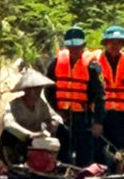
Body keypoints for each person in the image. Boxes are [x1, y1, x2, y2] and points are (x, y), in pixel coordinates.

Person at [45, 26, 105, 167]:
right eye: (71, 47)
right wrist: (55, 110)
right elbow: (48, 89)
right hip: (62, 116)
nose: (74, 51)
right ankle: (61, 178)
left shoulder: (93, 66)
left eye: (77, 47)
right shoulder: (56, 62)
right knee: (62, 152)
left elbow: (100, 95)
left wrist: (98, 122)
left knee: (84, 153)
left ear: (83, 46)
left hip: (83, 117)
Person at [0, 68, 65, 172]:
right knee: (7, 135)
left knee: (63, 131)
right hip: (16, 145)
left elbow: (55, 117)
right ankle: (13, 166)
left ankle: (58, 166)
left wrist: (54, 122)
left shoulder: (41, 104)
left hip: (34, 146)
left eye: (39, 88)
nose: (38, 92)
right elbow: (9, 124)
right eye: (34, 89)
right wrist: (29, 135)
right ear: (26, 90)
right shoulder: (13, 105)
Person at [94, 26, 124, 169]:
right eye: (111, 42)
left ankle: (119, 178)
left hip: (120, 116)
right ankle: (99, 178)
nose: (115, 46)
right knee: (98, 150)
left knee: (119, 150)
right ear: (106, 43)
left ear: (122, 44)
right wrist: (96, 120)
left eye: (118, 42)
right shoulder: (96, 64)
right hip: (101, 115)